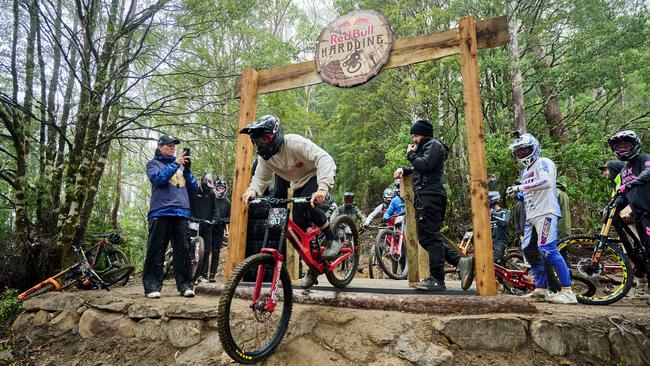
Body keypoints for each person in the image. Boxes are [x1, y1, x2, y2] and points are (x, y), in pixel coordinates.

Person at [240, 115, 338, 289]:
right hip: (298, 183)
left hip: (315, 175)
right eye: (257, 140)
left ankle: (333, 238)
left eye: (264, 138)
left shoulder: (294, 143)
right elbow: (261, 179)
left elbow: (325, 159)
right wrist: (251, 191)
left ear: (275, 134)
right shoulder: (265, 158)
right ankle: (313, 267)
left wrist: (322, 188)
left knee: (305, 204)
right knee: (298, 229)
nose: (261, 144)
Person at [393, 119, 473, 291]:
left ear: (424, 134)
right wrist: (405, 169)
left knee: (430, 237)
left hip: (430, 196)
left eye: (415, 136)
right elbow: (421, 168)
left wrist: (410, 155)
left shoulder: (433, 145)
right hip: (426, 196)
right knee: (428, 237)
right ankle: (460, 262)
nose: (413, 140)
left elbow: (426, 165)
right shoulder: (428, 148)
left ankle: (437, 279)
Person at [506, 132, 577, 304]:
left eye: (525, 150)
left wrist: (520, 188)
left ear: (534, 148)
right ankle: (541, 289)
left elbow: (547, 182)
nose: (522, 154)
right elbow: (530, 191)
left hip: (546, 212)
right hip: (531, 215)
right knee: (529, 250)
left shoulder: (544, 162)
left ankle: (567, 291)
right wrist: (519, 194)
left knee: (547, 249)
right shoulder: (525, 171)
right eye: (518, 152)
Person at [144, 134, 198, 299]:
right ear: (160, 146)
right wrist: (175, 164)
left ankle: (186, 286)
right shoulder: (153, 164)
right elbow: (159, 179)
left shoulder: (181, 167)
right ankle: (152, 287)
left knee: (183, 250)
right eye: (168, 145)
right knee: (156, 249)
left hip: (181, 212)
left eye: (174, 145)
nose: (172, 147)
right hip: (160, 211)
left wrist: (187, 171)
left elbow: (193, 189)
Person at [608, 130, 650, 302]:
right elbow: (624, 195)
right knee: (644, 250)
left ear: (634, 145)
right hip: (639, 214)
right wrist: (613, 205)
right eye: (619, 146)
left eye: (626, 145)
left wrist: (631, 184)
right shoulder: (624, 170)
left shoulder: (643, 159)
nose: (622, 149)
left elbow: (648, 173)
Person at [189, 173, 219, 284]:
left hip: (207, 225)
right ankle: (190, 273)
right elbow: (188, 204)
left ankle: (203, 274)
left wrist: (215, 219)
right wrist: (190, 216)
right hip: (194, 223)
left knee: (206, 250)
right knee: (192, 249)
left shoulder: (211, 194)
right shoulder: (194, 191)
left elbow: (215, 209)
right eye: (206, 187)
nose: (208, 189)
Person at [488, 191, 510, 264]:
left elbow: (505, 222)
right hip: (490, 241)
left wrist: (495, 215)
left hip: (501, 241)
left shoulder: (504, 212)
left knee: (496, 261)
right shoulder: (488, 213)